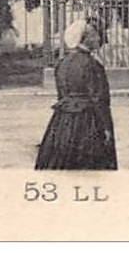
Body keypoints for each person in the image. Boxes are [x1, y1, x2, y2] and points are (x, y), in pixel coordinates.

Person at [35, 18, 118, 170]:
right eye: (95, 35)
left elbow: (62, 96)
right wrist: (106, 128)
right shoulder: (93, 65)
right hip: (87, 122)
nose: (99, 38)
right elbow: (99, 100)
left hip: (61, 123)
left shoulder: (62, 63)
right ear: (86, 39)